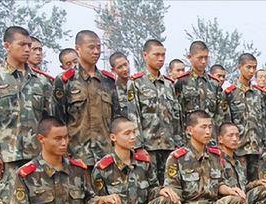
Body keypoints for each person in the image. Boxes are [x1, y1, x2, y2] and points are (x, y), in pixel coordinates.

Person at [0, 26, 54, 204]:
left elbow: (49, 120)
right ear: (7, 46)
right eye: (22, 44)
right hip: (9, 155)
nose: (27, 49)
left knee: (39, 202)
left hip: (37, 155)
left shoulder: (41, 82)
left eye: (29, 45)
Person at [163, 110, 248, 204]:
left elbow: (219, 183)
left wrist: (229, 190)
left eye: (210, 127)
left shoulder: (215, 156)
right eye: (203, 127)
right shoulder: (177, 158)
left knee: (238, 199)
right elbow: (173, 194)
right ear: (190, 130)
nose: (208, 131)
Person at [52, 30, 120, 168]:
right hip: (76, 156)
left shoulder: (108, 81)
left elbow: (117, 118)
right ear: (78, 48)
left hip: (106, 157)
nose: (96, 51)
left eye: (99, 47)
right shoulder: (65, 81)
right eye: (91, 47)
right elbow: (58, 120)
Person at [127, 39, 184, 185]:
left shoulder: (168, 84)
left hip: (169, 146)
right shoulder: (136, 82)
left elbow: (176, 117)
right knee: (150, 187)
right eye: (156, 54)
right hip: (148, 147)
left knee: (170, 186)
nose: (160, 59)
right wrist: (138, 146)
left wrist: (179, 145)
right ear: (145, 55)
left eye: (163, 55)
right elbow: (134, 115)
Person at [224, 53, 266, 183]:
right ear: (240, 67)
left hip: (256, 148)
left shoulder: (258, 93)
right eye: (248, 67)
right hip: (238, 148)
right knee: (239, 183)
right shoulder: (230, 93)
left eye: (254, 67)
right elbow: (225, 121)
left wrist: (264, 143)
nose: (252, 71)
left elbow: (263, 120)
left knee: (256, 184)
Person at [174, 41, 225, 141]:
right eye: (199, 58)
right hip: (189, 139)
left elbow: (220, 114)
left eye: (206, 57)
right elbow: (176, 113)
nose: (203, 61)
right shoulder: (182, 82)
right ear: (190, 57)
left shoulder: (214, 83)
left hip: (211, 139)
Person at [109, 51, 131, 116]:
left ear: (128, 63)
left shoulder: (138, 85)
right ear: (113, 70)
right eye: (119, 67)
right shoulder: (112, 89)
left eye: (125, 65)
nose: (124, 69)